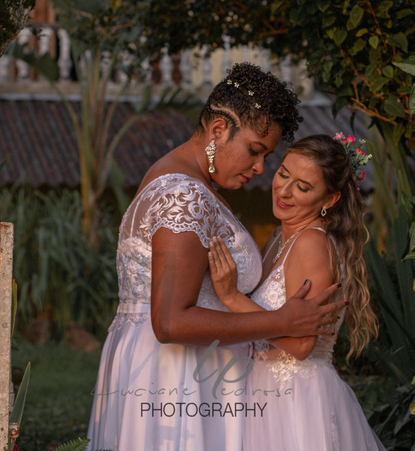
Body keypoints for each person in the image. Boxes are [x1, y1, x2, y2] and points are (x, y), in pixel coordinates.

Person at [87, 64, 345, 451]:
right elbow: (170, 322)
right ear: (219, 130)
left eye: (266, 156)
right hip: (177, 376)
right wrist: (281, 321)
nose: (260, 168)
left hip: (182, 369)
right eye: (254, 151)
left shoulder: (183, 181)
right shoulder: (185, 195)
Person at [208, 133, 385, 450]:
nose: (284, 191)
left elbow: (302, 345)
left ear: (329, 200)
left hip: (294, 399)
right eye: (283, 174)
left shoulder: (311, 243)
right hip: (263, 390)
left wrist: (232, 298)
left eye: (302, 187)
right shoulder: (279, 236)